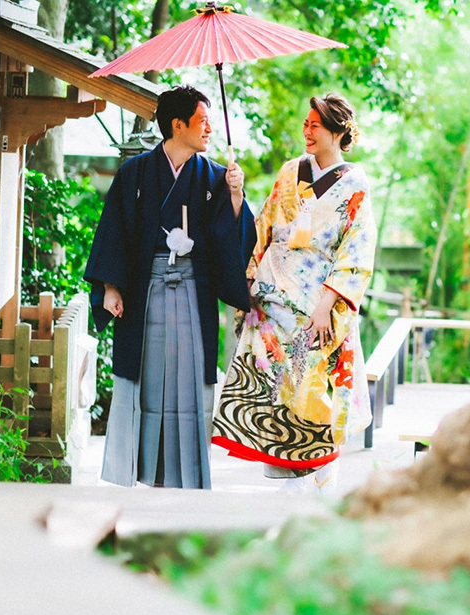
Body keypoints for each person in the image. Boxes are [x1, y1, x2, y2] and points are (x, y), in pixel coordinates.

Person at [84, 85, 255, 489]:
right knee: (146, 376)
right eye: (202, 121)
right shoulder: (135, 173)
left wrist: (235, 196)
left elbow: (231, 238)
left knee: (191, 379)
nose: (209, 129)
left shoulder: (215, 177)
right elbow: (114, 231)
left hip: (194, 291)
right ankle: (138, 469)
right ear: (178, 125)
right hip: (146, 289)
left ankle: (186, 474)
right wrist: (110, 286)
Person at [211, 93, 376, 495]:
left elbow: (356, 251)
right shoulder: (290, 172)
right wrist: (237, 198)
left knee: (313, 391)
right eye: (305, 123)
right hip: (274, 302)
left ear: (337, 131)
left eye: (314, 124)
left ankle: (321, 478)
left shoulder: (355, 183)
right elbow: (262, 226)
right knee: (276, 393)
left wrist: (326, 307)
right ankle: (287, 483)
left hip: (317, 307)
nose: (306, 130)